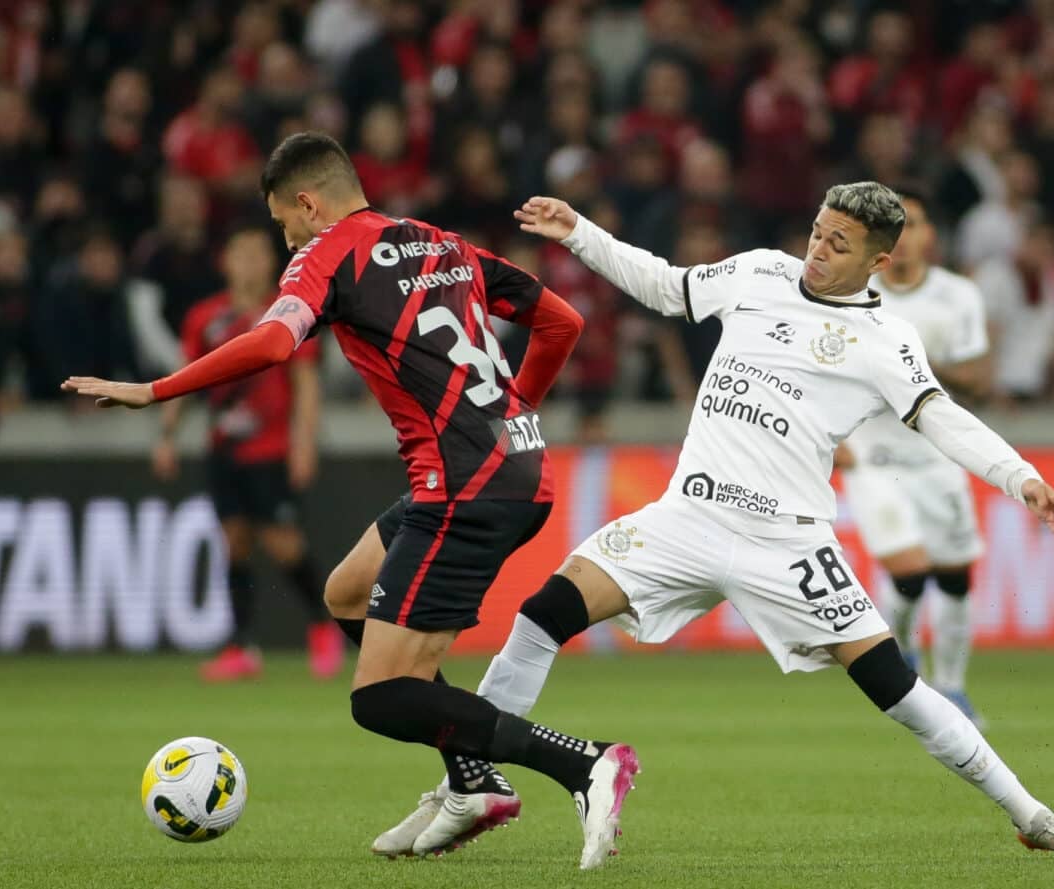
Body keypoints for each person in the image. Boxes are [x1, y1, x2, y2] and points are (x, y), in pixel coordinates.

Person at [373, 182, 1054, 862]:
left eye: (838, 244)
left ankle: (1034, 815)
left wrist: (1022, 477)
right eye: (818, 232)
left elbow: (944, 420)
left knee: (893, 684)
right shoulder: (760, 272)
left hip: (786, 541)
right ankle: (471, 782)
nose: (817, 252)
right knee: (542, 615)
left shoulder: (885, 343)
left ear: (879, 261)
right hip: (685, 516)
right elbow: (665, 287)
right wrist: (579, 231)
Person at [62, 132, 640, 871]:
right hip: (501, 466)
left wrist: (153, 389)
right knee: (345, 592)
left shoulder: (331, 252)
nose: (285, 237)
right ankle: (472, 783)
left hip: (464, 484)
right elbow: (563, 321)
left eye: (282, 221)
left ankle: (584, 762)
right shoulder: (440, 242)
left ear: (307, 202)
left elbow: (274, 342)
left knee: (380, 697)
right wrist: (515, 412)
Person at [151, 224, 341, 682]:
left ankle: (321, 625)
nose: (251, 263)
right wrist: (167, 434)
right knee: (233, 542)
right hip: (223, 449)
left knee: (282, 543)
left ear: (270, 264)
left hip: (270, 449)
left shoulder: (289, 312)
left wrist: (303, 444)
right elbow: (188, 376)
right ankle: (241, 647)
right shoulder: (204, 317)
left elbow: (305, 384)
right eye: (242, 254)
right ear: (226, 263)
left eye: (259, 254)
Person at [833, 191, 990, 723]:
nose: (904, 237)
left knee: (953, 577)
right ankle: (904, 662)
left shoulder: (958, 296)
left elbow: (979, 376)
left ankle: (953, 686)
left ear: (929, 236)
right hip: (872, 456)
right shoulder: (855, 293)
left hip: (937, 455)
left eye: (914, 224)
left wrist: (914, 367)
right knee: (909, 570)